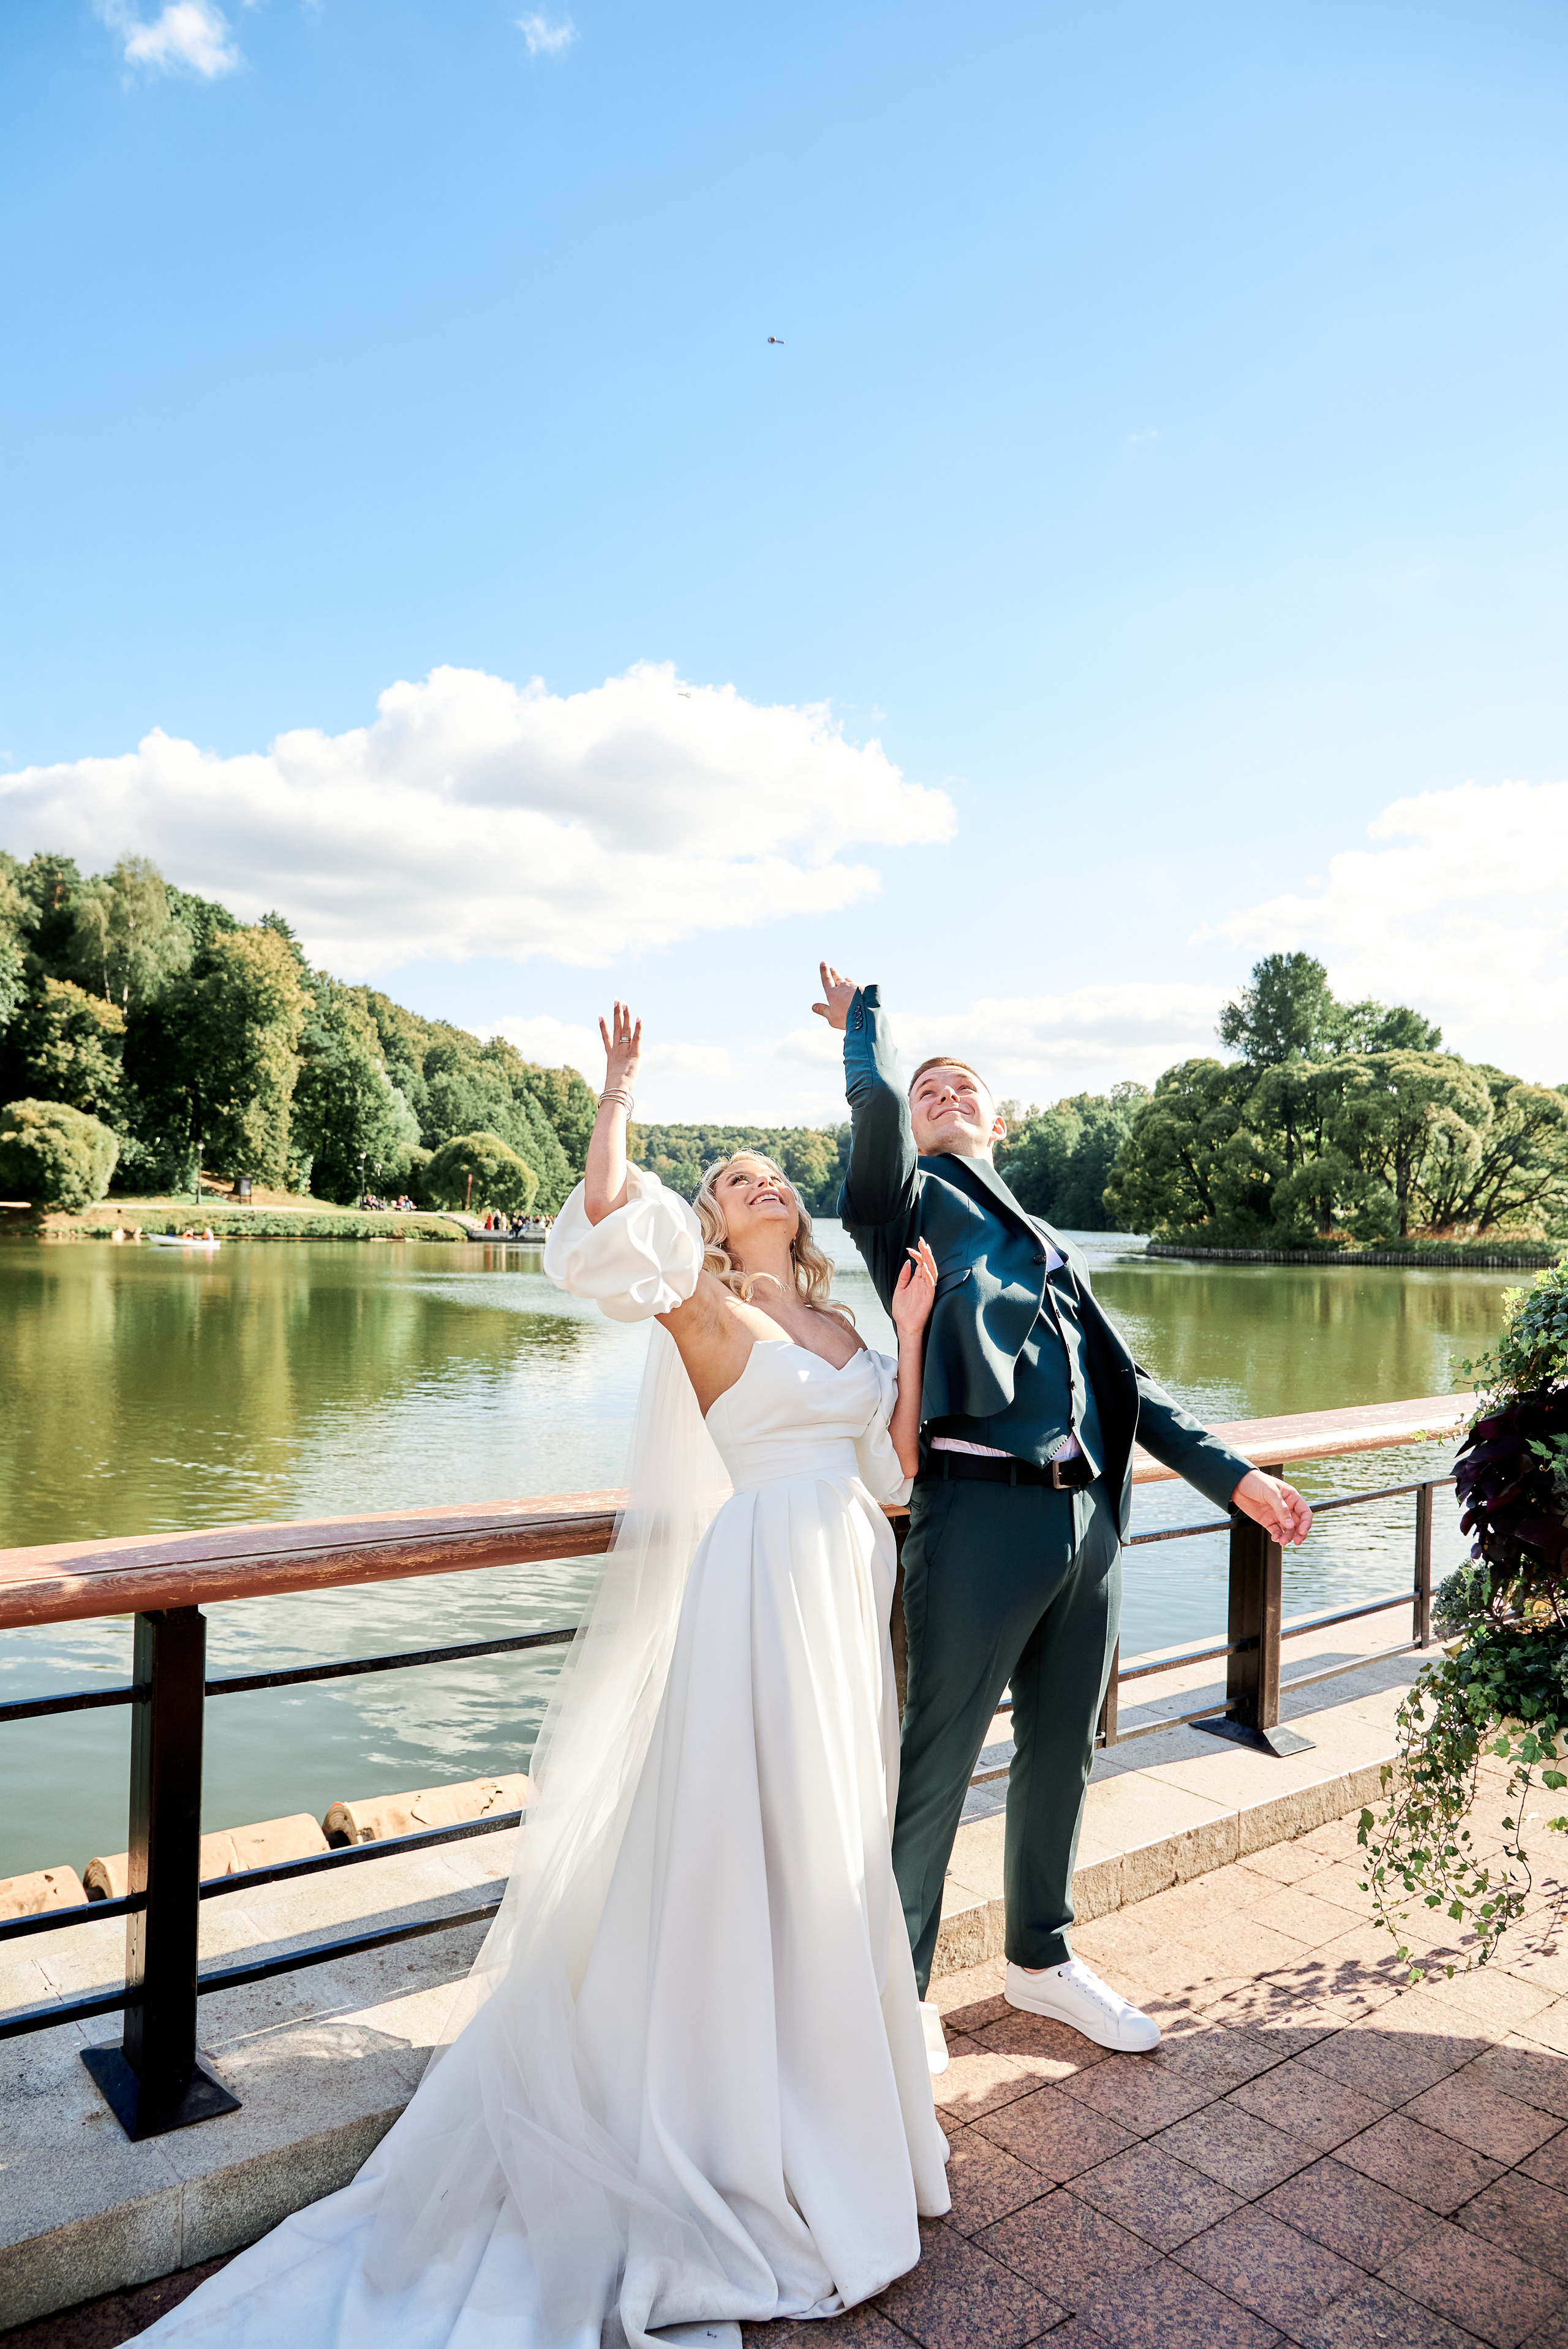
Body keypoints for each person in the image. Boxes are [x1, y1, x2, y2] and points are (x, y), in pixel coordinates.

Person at [138, 1001, 949, 2349]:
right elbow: (600, 1229)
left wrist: (910, 1333)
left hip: (841, 1582)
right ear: (710, 1216)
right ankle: (728, 2115)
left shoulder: (840, 1320)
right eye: (731, 1175)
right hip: (755, 1582)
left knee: (831, 1846)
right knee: (740, 1841)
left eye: (768, 1172)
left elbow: (898, 1466)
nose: (759, 1180)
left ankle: (831, 2096)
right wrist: (616, 1092)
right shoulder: (701, 1297)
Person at [813, 964, 1314, 2057]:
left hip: (1090, 1522)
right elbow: (882, 1113)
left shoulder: (1048, 1239)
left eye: (962, 1088)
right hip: (977, 1513)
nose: (942, 1095)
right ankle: (891, 1997)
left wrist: (1237, 1478)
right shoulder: (905, 1206)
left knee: (1065, 1748)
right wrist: (869, 1035)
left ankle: (1042, 1958)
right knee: (937, 1758)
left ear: (1000, 1119)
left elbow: (1131, 1388)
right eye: (928, 1087)